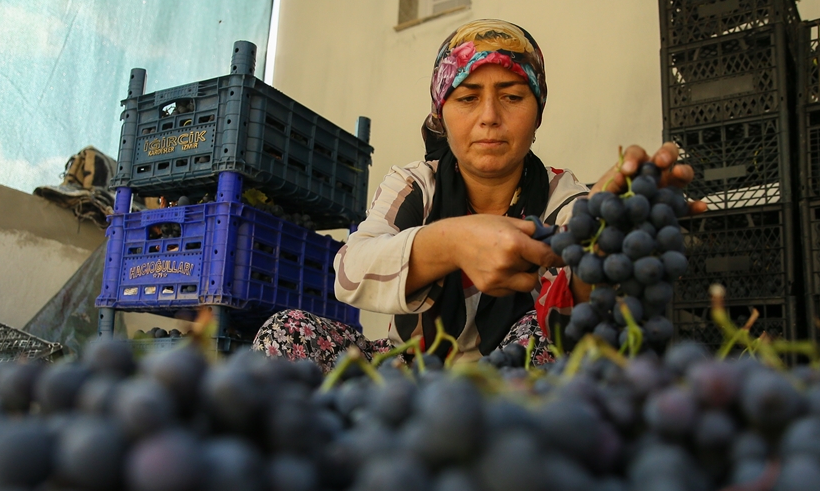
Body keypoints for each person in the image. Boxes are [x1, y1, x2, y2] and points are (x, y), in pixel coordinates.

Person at [252, 19, 700, 370]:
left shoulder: (562, 194)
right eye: (467, 98)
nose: (489, 117)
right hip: (403, 373)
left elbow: (578, 309)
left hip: (507, 387)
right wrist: (452, 241)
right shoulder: (414, 185)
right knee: (288, 331)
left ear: (537, 113)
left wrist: (604, 225)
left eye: (512, 96)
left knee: (558, 343)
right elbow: (350, 272)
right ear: (441, 115)